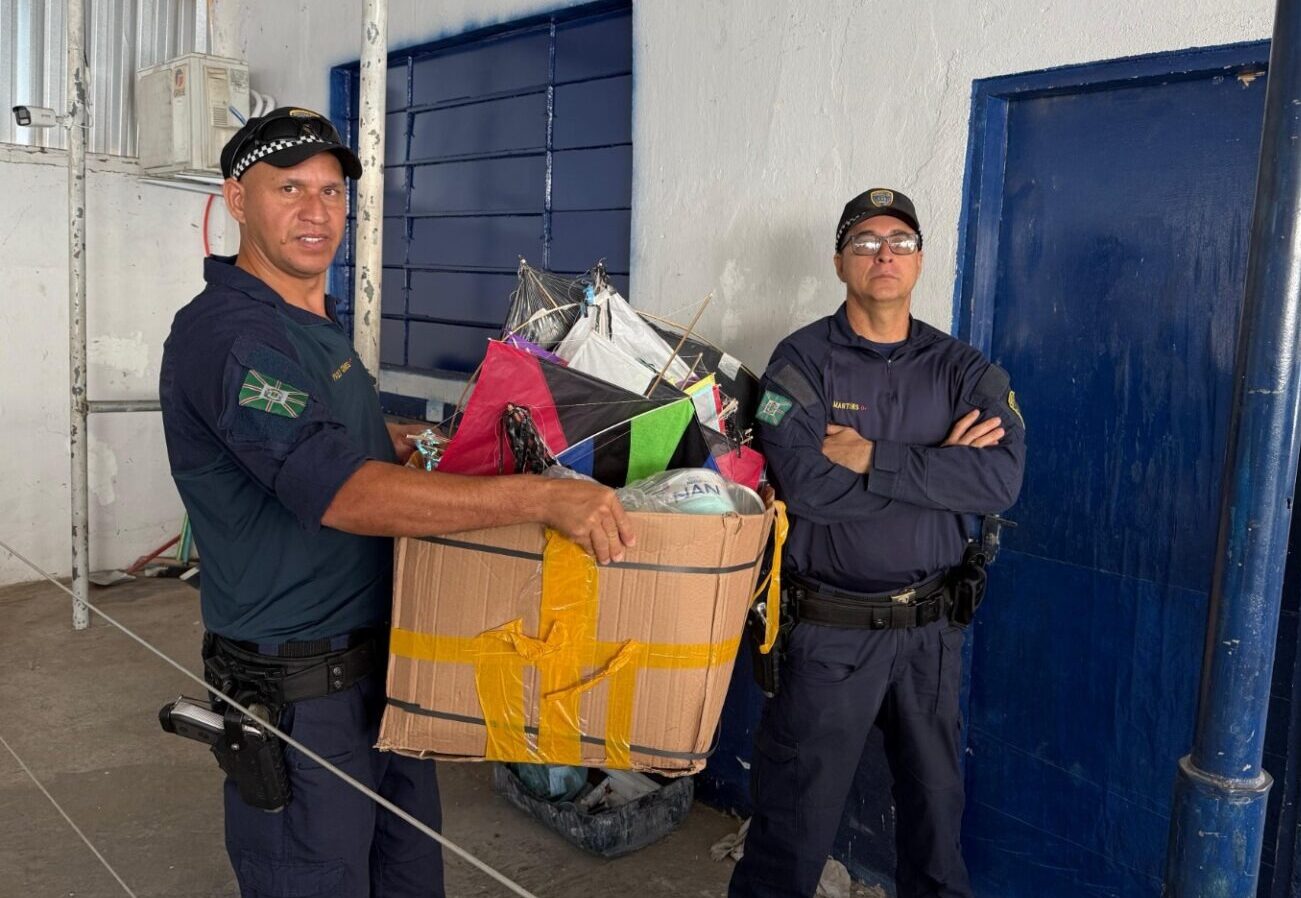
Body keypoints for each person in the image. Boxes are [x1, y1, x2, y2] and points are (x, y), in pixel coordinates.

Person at [158, 106, 634, 898]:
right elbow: (340, 490)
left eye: (333, 192)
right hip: (299, 693)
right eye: (290, 190)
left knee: (408, 876)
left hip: (388, 669)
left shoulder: (307, 316)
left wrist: (416, 436)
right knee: (313, 879)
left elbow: (332, 433)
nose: (318, 213)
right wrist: (539, 499)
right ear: (237, 201)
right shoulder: (229, 335)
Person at [728, 188, 1025, 898]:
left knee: (935, 819)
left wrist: (874, 455)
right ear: (839, 262)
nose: (882, 254)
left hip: (931, 633)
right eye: (863, 242)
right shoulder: (797, 362)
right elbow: (807, 488)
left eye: (898, 241)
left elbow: (999, 481)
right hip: (829, 635)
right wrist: (937, 461)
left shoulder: (961, 367)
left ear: (919, 260)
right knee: (791, 825)